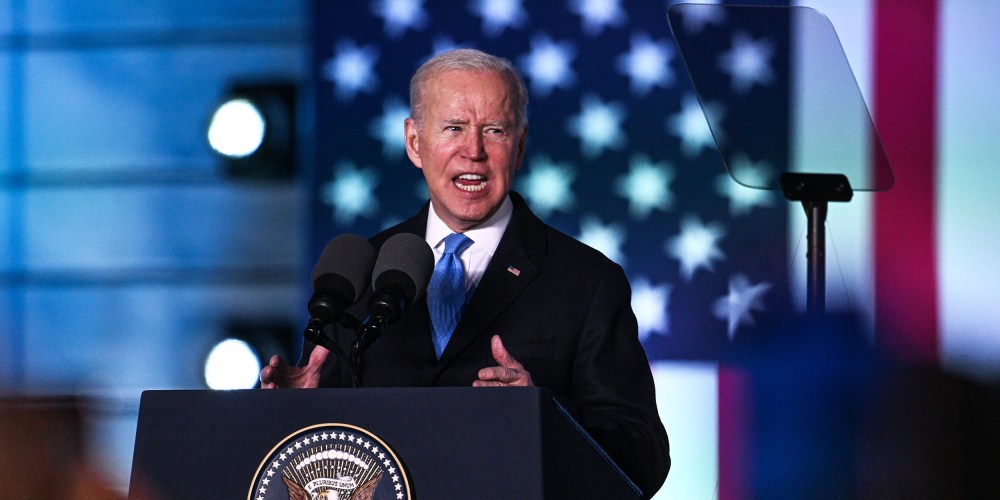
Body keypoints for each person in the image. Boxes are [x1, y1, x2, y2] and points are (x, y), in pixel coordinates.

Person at [261, 48, 670, 497]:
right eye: (453, 128)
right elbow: (319, 457)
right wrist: (291, 414)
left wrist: (541, 416)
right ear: (415, 143)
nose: (473, 151)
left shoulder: (587, 281)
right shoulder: (360, 271)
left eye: (494, 130)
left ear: (520, 145)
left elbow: (642, 459)